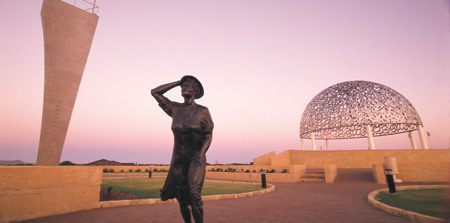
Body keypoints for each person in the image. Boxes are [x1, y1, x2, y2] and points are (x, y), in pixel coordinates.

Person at [151, 75, 213, 223]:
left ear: (196, 91)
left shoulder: (202, 111)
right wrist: (177, 83)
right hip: (178, 159)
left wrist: (201, 152)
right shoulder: (175, 108)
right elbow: (155, 92)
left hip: (196, 157)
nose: (185, 87)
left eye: (189, 85)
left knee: (194, 193)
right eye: (183, 86)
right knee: (181, 196)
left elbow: (208, 134)